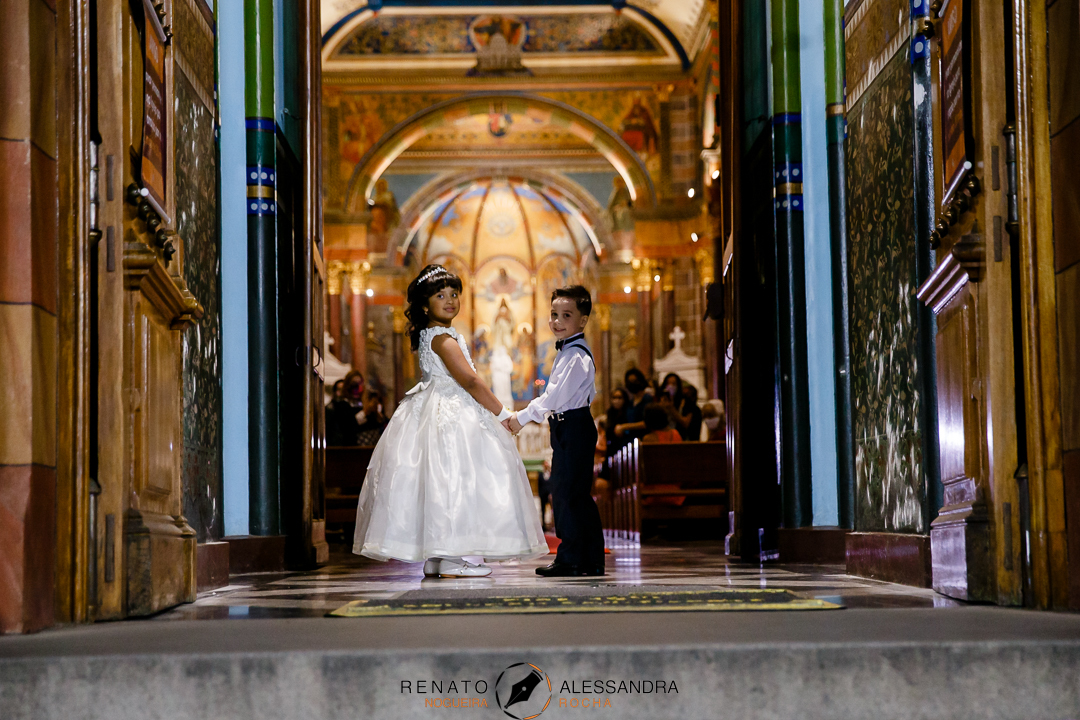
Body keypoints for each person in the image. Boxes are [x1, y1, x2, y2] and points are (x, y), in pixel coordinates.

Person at [353, 265, 547, 578]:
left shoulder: (434, 334)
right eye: (440, 295)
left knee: (443, 482)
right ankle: (458, 556)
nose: (450, 300)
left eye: (454, 294)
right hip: (452, 416)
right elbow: (470, 380)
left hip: (436, 412)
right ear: (425, 304)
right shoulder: (442, 337)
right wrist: (504, 415)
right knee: (459, 480)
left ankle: (440, 557)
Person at [508, 285, 605, 577]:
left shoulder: (576, 356)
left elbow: (554, 398)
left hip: (574, 425)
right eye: (553, 314)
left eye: (566, 315)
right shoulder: (569, 352)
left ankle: (573, 557)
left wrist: (521, 417)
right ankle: (588, 558)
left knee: (567, 494)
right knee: (572, 493)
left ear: (583, 320)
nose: (557, 321)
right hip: (568, 426)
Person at [612, 368, 650, 442]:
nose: (632, 384)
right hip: (629, 440)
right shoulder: (630, 403)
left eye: (634, 381)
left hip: (643, 439)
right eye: (629, 382)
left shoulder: (647, 399)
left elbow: (648, 422)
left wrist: (625, 427)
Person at [326, 376, 361, 446]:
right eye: (339, 389)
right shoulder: (330, 408)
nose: (341, 392)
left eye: (343, 389)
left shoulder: (349, 406)